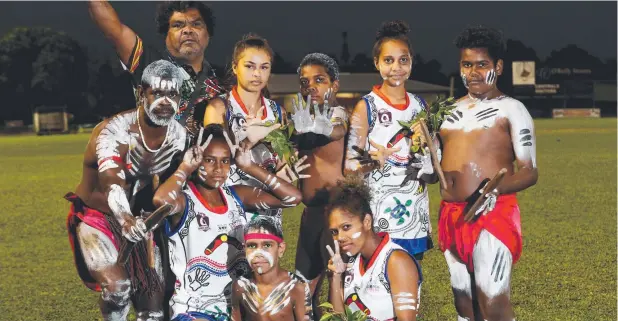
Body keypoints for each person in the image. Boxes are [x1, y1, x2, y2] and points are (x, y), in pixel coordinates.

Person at [65, 60, 187, 321]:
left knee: (154, 307)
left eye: (173, 94)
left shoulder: (178, 135)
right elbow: (111, 181)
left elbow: (174, 182)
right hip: (101, 217)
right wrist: (124, 218)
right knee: (117, 289)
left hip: (143, 222)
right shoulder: (113, 131)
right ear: (141, 94)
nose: (166, 101)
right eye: (158, 93)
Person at [438, 25, 538, 321]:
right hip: (451, 215)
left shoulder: (511, 109)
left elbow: (530, 172)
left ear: (498, 66)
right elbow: (435, 171)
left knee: (492, 302)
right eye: (467, 65)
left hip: (492, 214)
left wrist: (495, 189)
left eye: (482, 64)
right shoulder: (446, 111)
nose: (474, 72)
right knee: (464, 303)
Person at [152, 123, 302, 321]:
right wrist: (185, 167)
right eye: (209, 160)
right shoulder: (184, 201)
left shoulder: (236, 195)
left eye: (225, 161)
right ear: (197, 160)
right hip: (195, 310)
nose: (218, 169)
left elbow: (292, 199)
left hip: (240, 307)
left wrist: (250, 167)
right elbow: (161, 201)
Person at [344, 20, 437, 261]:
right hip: (377, 217)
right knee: (377, 290)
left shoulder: (420, 106)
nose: (396, 67)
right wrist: (374, 162)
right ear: (377, 63)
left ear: (411, 62)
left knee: (410, 290)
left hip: (413, 216)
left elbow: (432, 174)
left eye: (403, 60)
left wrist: (426, 155)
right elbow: (348, 170)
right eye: (388, 60)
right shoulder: (366, 108)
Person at [204, 33, 308, 228]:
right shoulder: (219, 108)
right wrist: (247, 141)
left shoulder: (277, 112)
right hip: (229, 206)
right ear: (235, 67)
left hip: (267, 209)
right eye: (249, 66)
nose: (257, 74)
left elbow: (283, 164)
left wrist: (285, 175)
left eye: (264, 67)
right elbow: (212, 161)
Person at [88, 0, 225, 137]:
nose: (188, 30)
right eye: (178, 25)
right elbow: (113, 30)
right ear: (166, 35)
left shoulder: (226, 79)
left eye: (196, 24)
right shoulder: (149, 63)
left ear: (208, 34)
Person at [288, 52, 349, 316]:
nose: (310, 86)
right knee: (303, 286)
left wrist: (316, 124)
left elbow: (338, 129)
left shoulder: (337, 113)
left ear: (334, 84)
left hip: (334, 212)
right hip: (310, 213)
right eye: (304, 82)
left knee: (338, 283)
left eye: (319, 80)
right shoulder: (302, 119)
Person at [326, 176, 422, 321]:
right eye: (334, 232)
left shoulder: (396, 261)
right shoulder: (351, 261)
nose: (340, 237)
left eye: (346, 227)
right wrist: (335, 277)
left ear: (367, 221)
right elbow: (337, 318)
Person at [230, 216, 313, 321]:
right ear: (244, 249)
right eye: (252, 246)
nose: (259, 253)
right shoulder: (240, 286)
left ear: (281, 249)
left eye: (267, 245)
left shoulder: (296, 286)